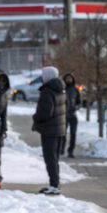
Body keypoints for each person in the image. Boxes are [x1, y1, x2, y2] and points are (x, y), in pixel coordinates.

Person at [32, 65, 66, 195]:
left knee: (50, 158)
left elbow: (46, 112)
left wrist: (35, 118)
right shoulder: (61, 89)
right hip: (59, 128)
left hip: (49, 130)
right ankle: (55, 183)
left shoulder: (48, 91)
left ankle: (54, 185)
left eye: (43, 75)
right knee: (54, 158)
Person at [62, 72, 82, 158]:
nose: (69, 80)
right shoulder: (62, 89)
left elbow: (79, 102)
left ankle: (71, 151)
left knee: (73, 134)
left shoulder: (75, 90)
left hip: (73, 115)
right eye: (67, 78)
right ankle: (61, 149)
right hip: (63, 115)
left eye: (70, 78)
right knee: (63, 133)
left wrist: (76, 107)